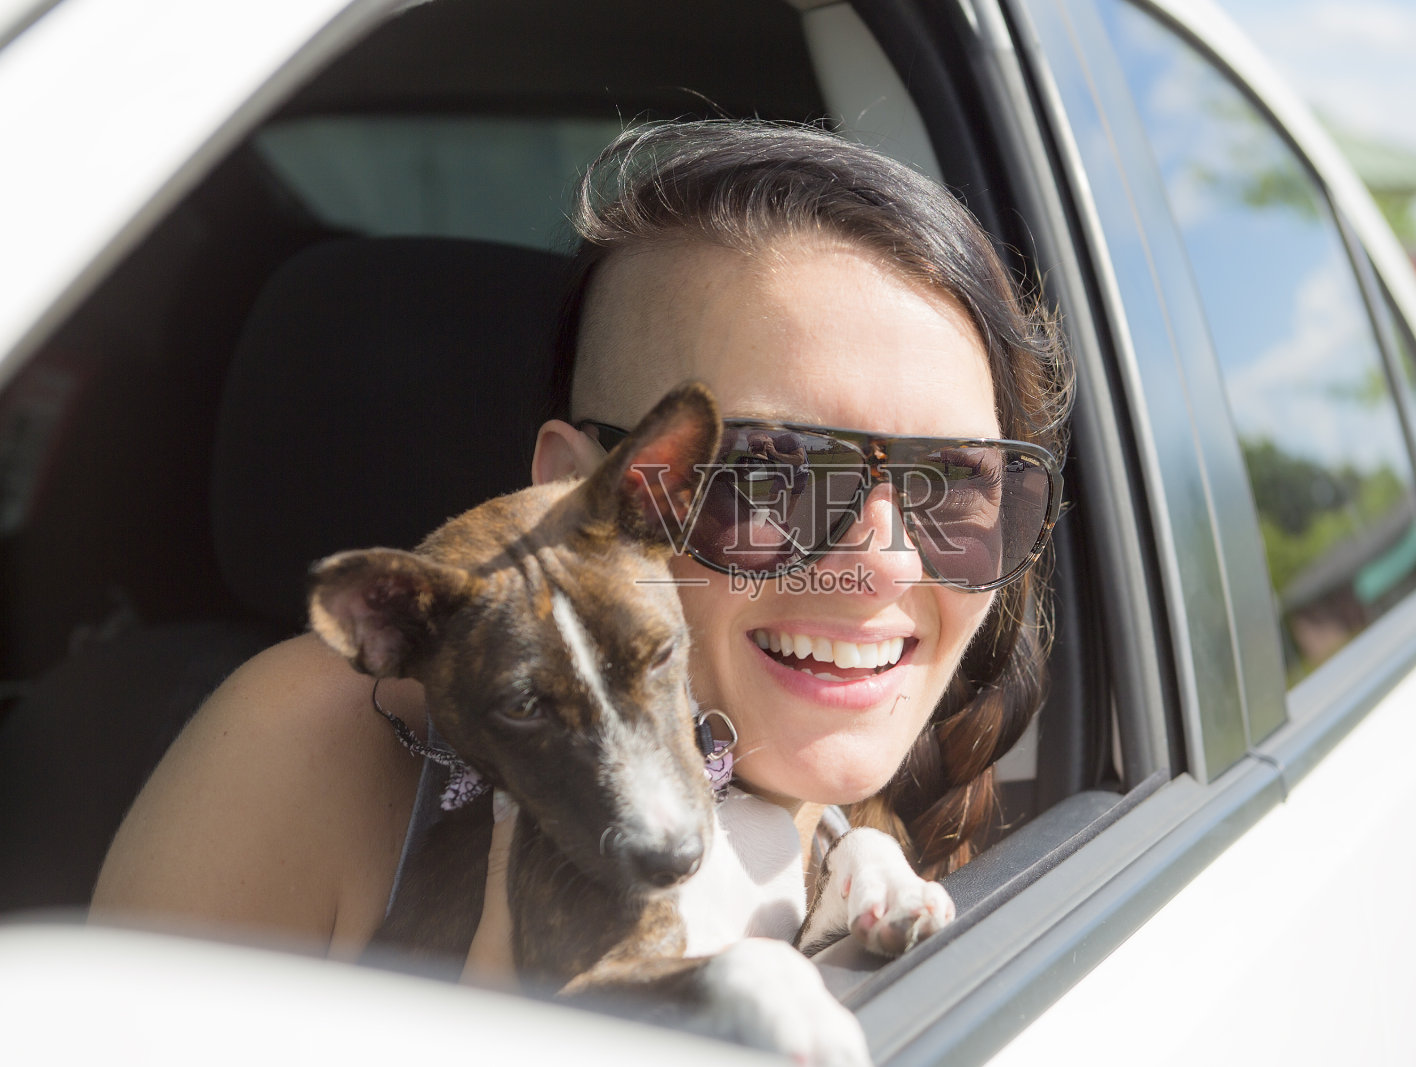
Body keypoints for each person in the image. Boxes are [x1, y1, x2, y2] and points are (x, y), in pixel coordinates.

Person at [90, 120, 1073, 972]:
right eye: (767, 478)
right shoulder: (321, 743)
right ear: (571, 489)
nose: (886, 563)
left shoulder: (894, 853)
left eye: (957, 484)